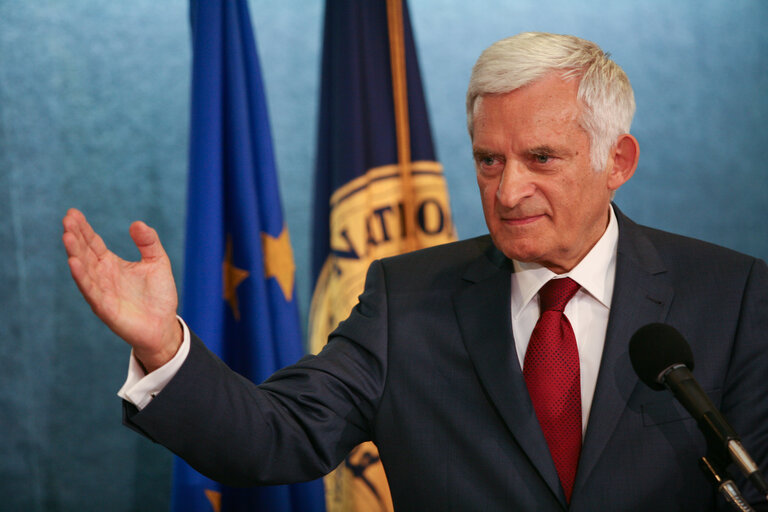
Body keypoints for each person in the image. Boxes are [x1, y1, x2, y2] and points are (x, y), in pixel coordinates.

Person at [62, 32, 768, 511]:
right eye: (489, 160)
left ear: (617, 161)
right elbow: (276, 435)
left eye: (540, 159)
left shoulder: (731, 295)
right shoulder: (407, 298)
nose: (508, 188)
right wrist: (162, 347)